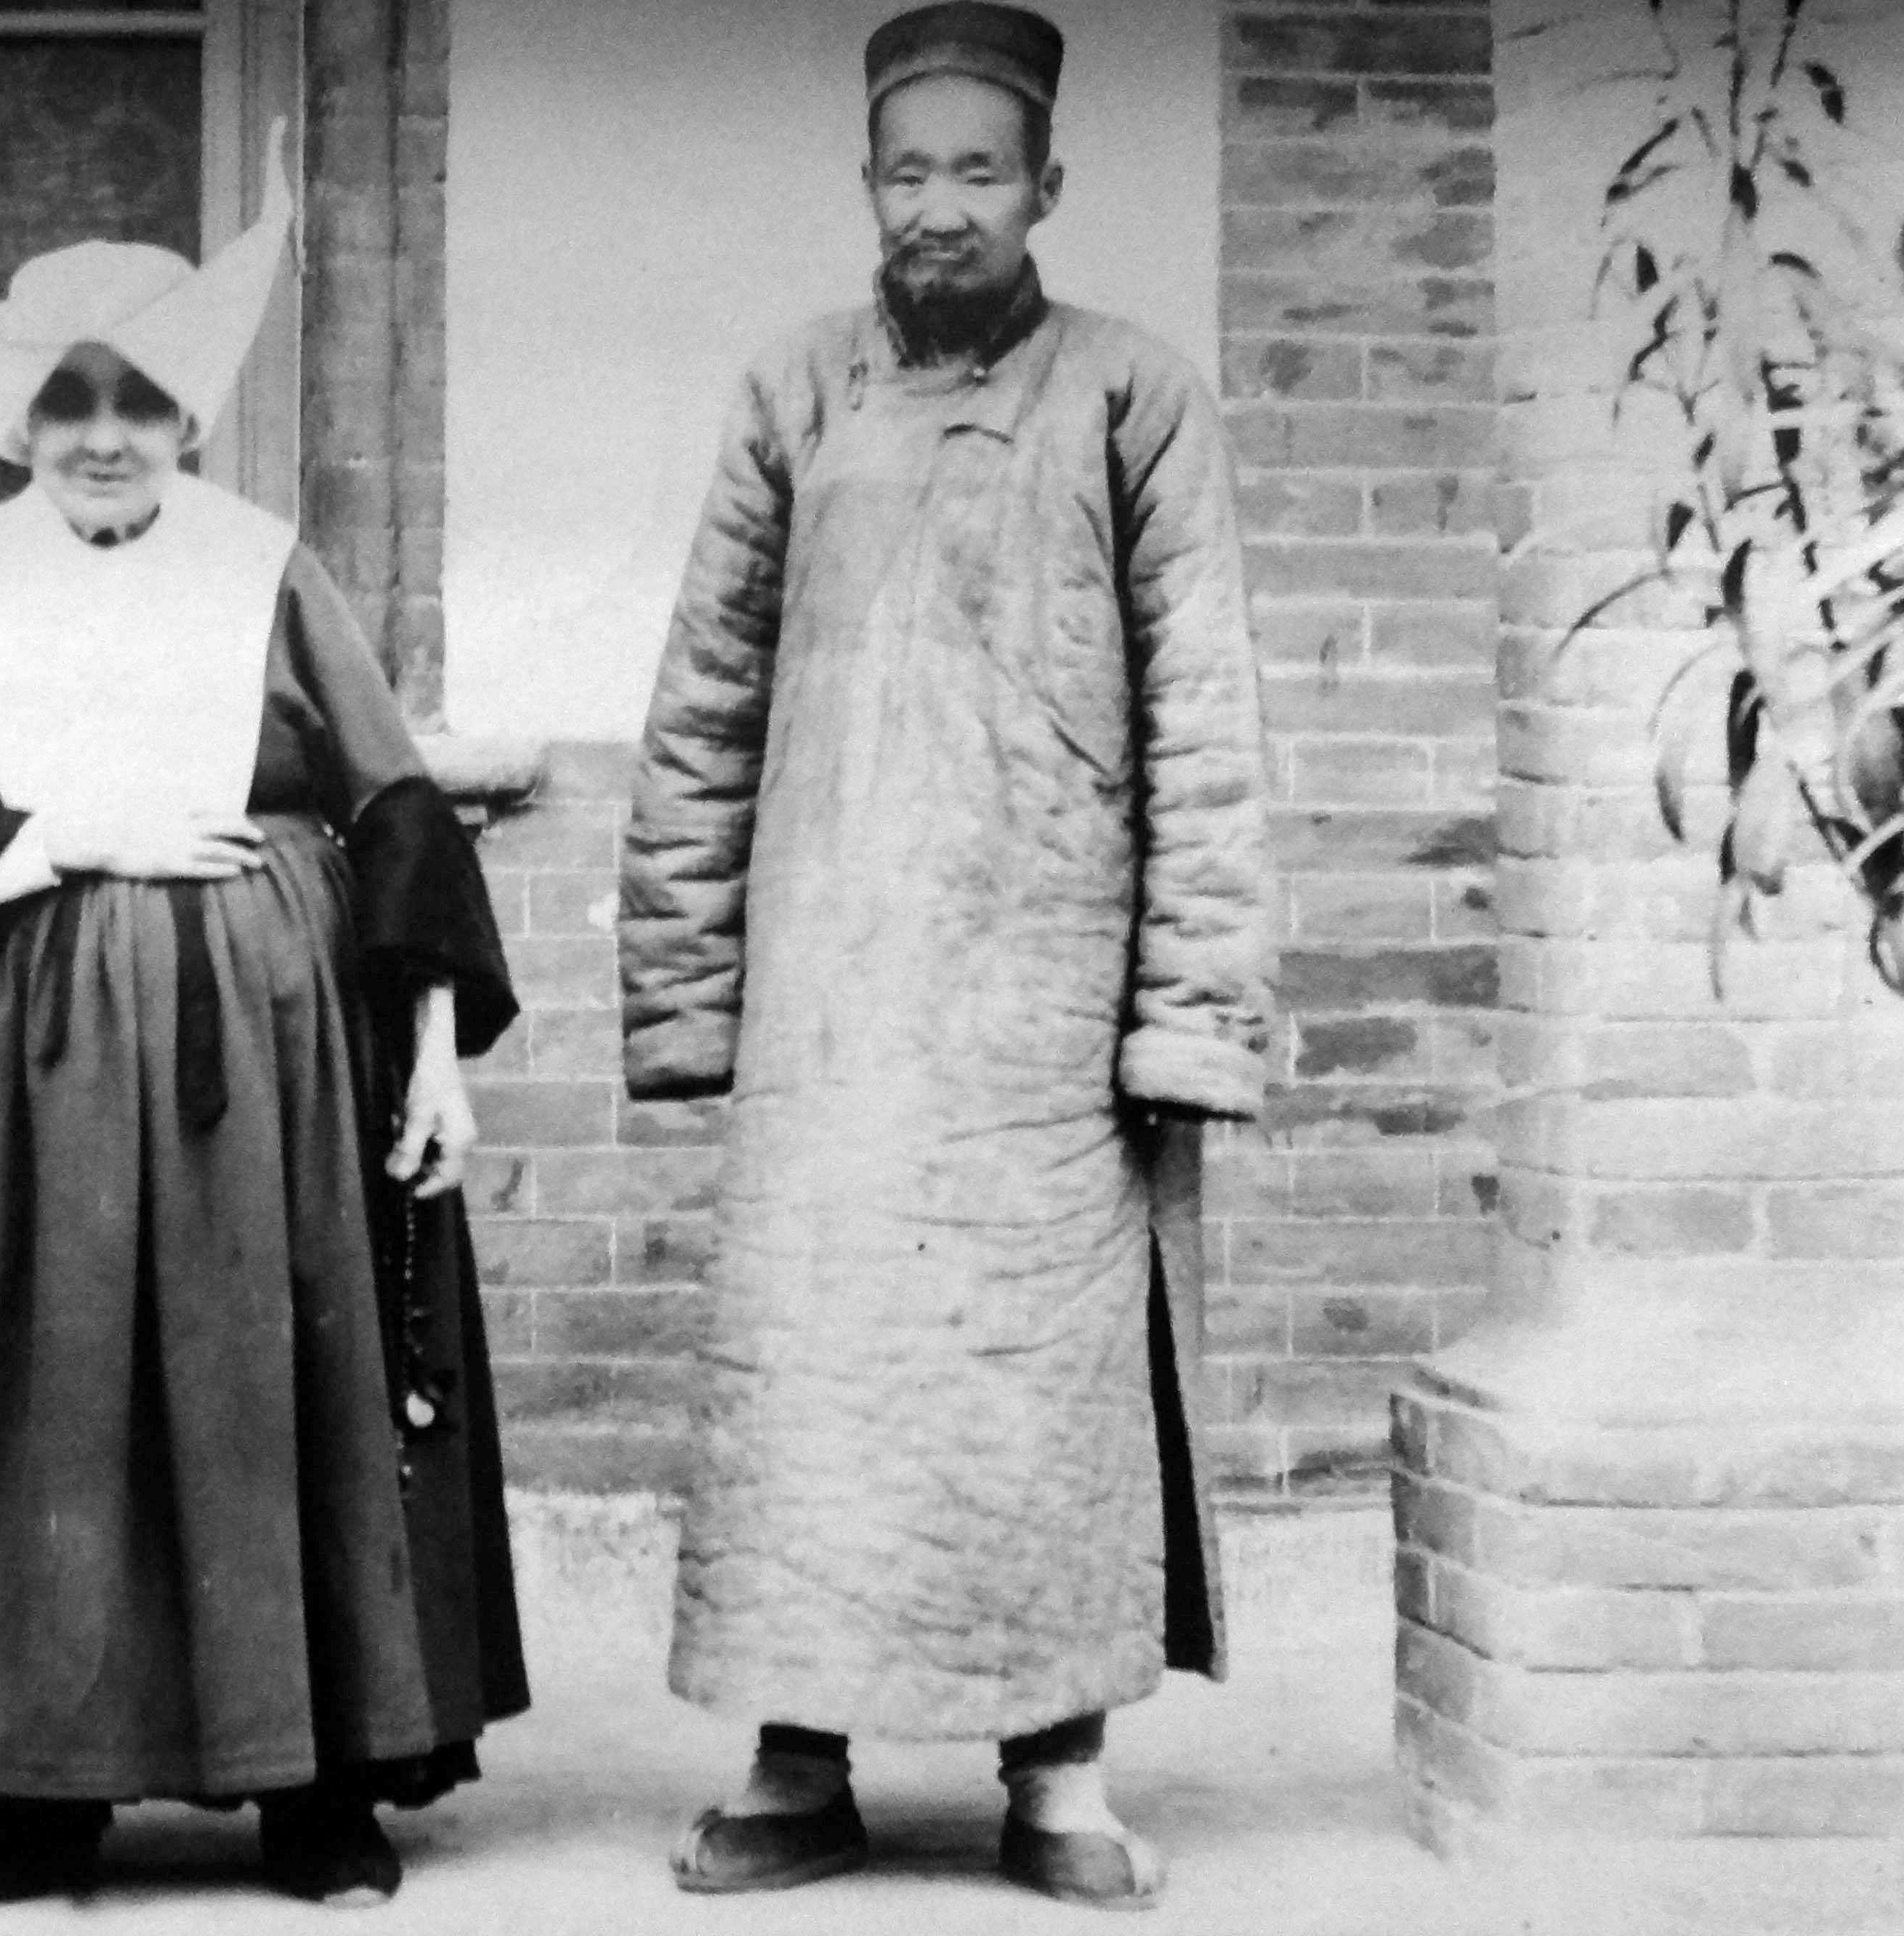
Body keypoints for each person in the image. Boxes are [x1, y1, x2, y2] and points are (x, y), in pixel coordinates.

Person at [0, 129, 527, 1911]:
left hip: (271, 1068)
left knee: (277, 1390)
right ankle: (35, 1794)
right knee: (40, 1404)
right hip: (29, 1068)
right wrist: (66, 837)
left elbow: (396, 812)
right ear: (17, 421)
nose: (105, 435)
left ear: (190, 415)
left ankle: (316, 1786)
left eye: (138, 400)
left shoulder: (265, 567)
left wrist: (435, 1059)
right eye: (68, 403)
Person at [615, 1, 1273, 1913]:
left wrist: (1187, 1018)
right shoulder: (794, 392)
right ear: (866, 184)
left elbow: (1207, 725)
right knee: (810, 1386)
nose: (940, 205)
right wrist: (687, 995)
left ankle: (1056, 1777)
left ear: (1046, 183)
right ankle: (792, 1763)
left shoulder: (1133, 395)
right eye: (909, 170)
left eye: (979, 169)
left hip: (1043, 1007)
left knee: (1037, 1398)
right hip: (830, 999)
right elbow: (703, 711)